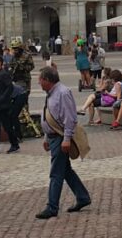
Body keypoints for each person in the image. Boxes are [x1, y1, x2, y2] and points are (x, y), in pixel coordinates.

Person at [35, 66, 90, 219]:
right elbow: (51, 116)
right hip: (53, 137)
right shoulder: (52, 93)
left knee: (56, 173)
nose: (38, 82)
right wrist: (47, 137)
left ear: (47, 80)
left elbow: (70, 119)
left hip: (60, 138)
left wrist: (66, 139)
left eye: (40, 79)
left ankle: (52, 207)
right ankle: (83, 197)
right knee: (65, 170)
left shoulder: (63, 93)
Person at [0, 53, 20, 154]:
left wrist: (2, 99)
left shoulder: (3, 74)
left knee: (7, 126)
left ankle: (14, 144)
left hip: (3, 105)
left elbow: (9, 87)